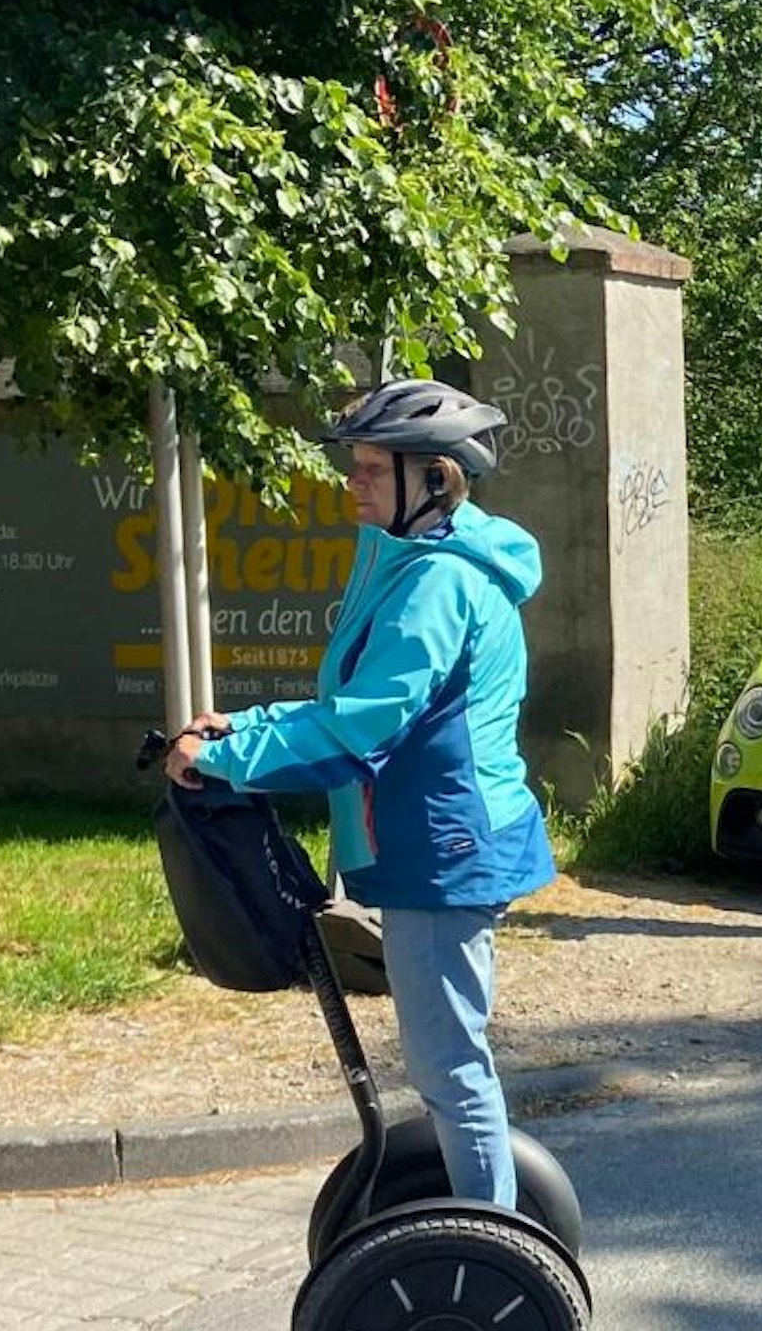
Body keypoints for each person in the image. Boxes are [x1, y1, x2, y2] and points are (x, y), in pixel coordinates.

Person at [166, 381, 553, 1209]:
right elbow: (348, 704)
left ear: (435, 480)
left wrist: (234, 764)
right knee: (446, 1060)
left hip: (446, 849)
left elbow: (359, 731)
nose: (355, 481)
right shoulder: (403, 562)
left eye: (374, 468)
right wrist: (244, 728)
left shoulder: (436, 586)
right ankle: (486, 1226)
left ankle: (495, 1243)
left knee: (450, 1064)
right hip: (436, 838)